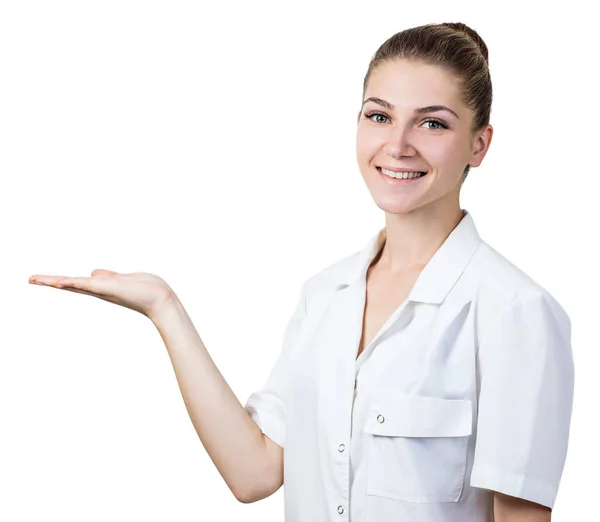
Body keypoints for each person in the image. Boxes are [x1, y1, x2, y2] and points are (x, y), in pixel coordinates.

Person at [28, 21, 573, 522]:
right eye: (379, 115)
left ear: (479, 145)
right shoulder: (325, 296)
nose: (397, 144)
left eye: (432, 123)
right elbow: (255, 472)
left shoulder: (514, 313)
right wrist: (164, 308)